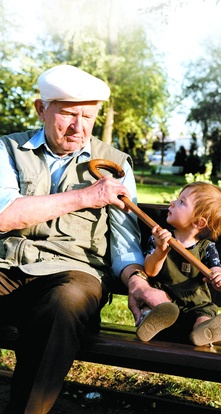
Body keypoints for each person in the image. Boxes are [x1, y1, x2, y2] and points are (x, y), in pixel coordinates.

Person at [0, 64, 170, 414]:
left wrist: (137, 284)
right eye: (68, 115)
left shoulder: (116, 164)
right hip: (8, 266)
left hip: (72, 275)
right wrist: (87, 196)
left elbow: (124, 243)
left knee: (65, 303)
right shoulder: (8, 150)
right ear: (41, 109)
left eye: (89, 117)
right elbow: (5, 215)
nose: (79, 128)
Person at [136, 181, 221, 346]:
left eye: (182, 202)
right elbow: (150, 271)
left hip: (194, 304)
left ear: (198, 222)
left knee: (205, 312)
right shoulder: (161, 237)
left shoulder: (206, 248)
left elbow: (216, 270)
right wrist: (160, 251)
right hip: (164, 302)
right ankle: (149, 321)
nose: (172, 202)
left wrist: (219, 278)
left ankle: (202, 330)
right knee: (149, 302)